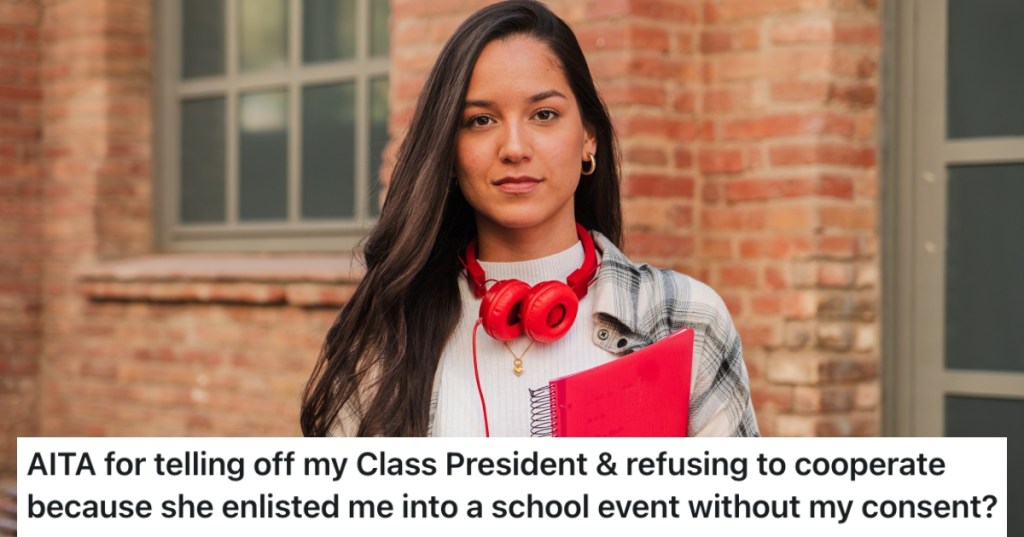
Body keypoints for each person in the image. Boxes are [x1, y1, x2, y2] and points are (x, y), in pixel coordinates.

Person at [301, 0, 758, 437]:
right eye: (481, 121)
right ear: (449, 152)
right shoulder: (389, 332)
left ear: (588, 139)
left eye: (544, 114)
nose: (514, 148)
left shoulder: (685, 319)